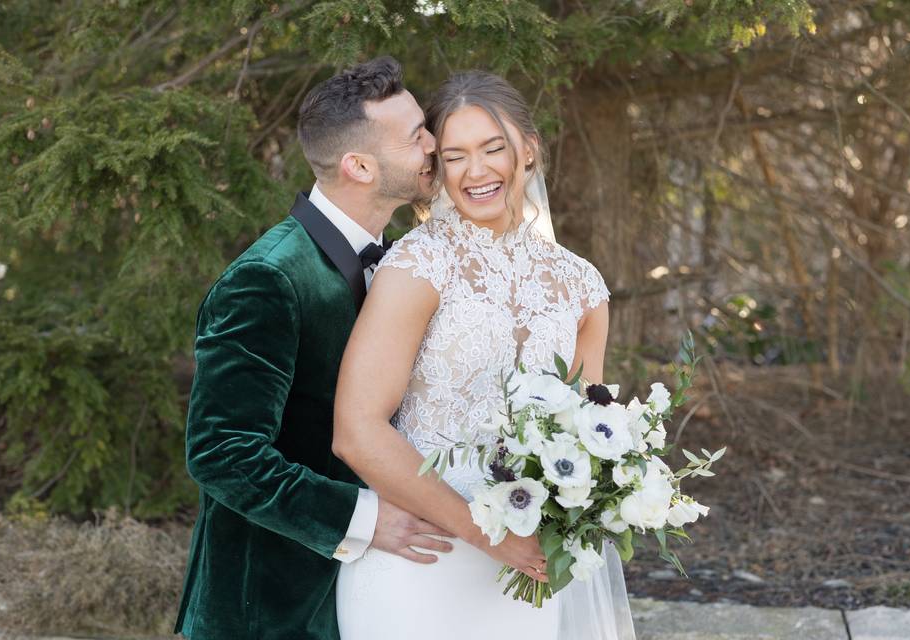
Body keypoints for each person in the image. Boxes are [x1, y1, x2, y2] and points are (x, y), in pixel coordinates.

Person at [333, 70, 636, 639]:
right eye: (455, 156)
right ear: (438, 169)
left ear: (529, 150)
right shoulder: (418, 265)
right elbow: (356, 431)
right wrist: (490, 536)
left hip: (527, 576)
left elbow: (587, 436)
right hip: (418, 564)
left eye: (493, 148)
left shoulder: (582, 287)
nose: (476, 171)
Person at [173, 56, 467, 640]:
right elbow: (221, 452)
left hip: (374, 594)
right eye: (415, 137)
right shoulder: (268, 278)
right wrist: (361, 518)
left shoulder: (407, 256)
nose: (436, 143)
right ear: (360, 166)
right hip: (269, 607)